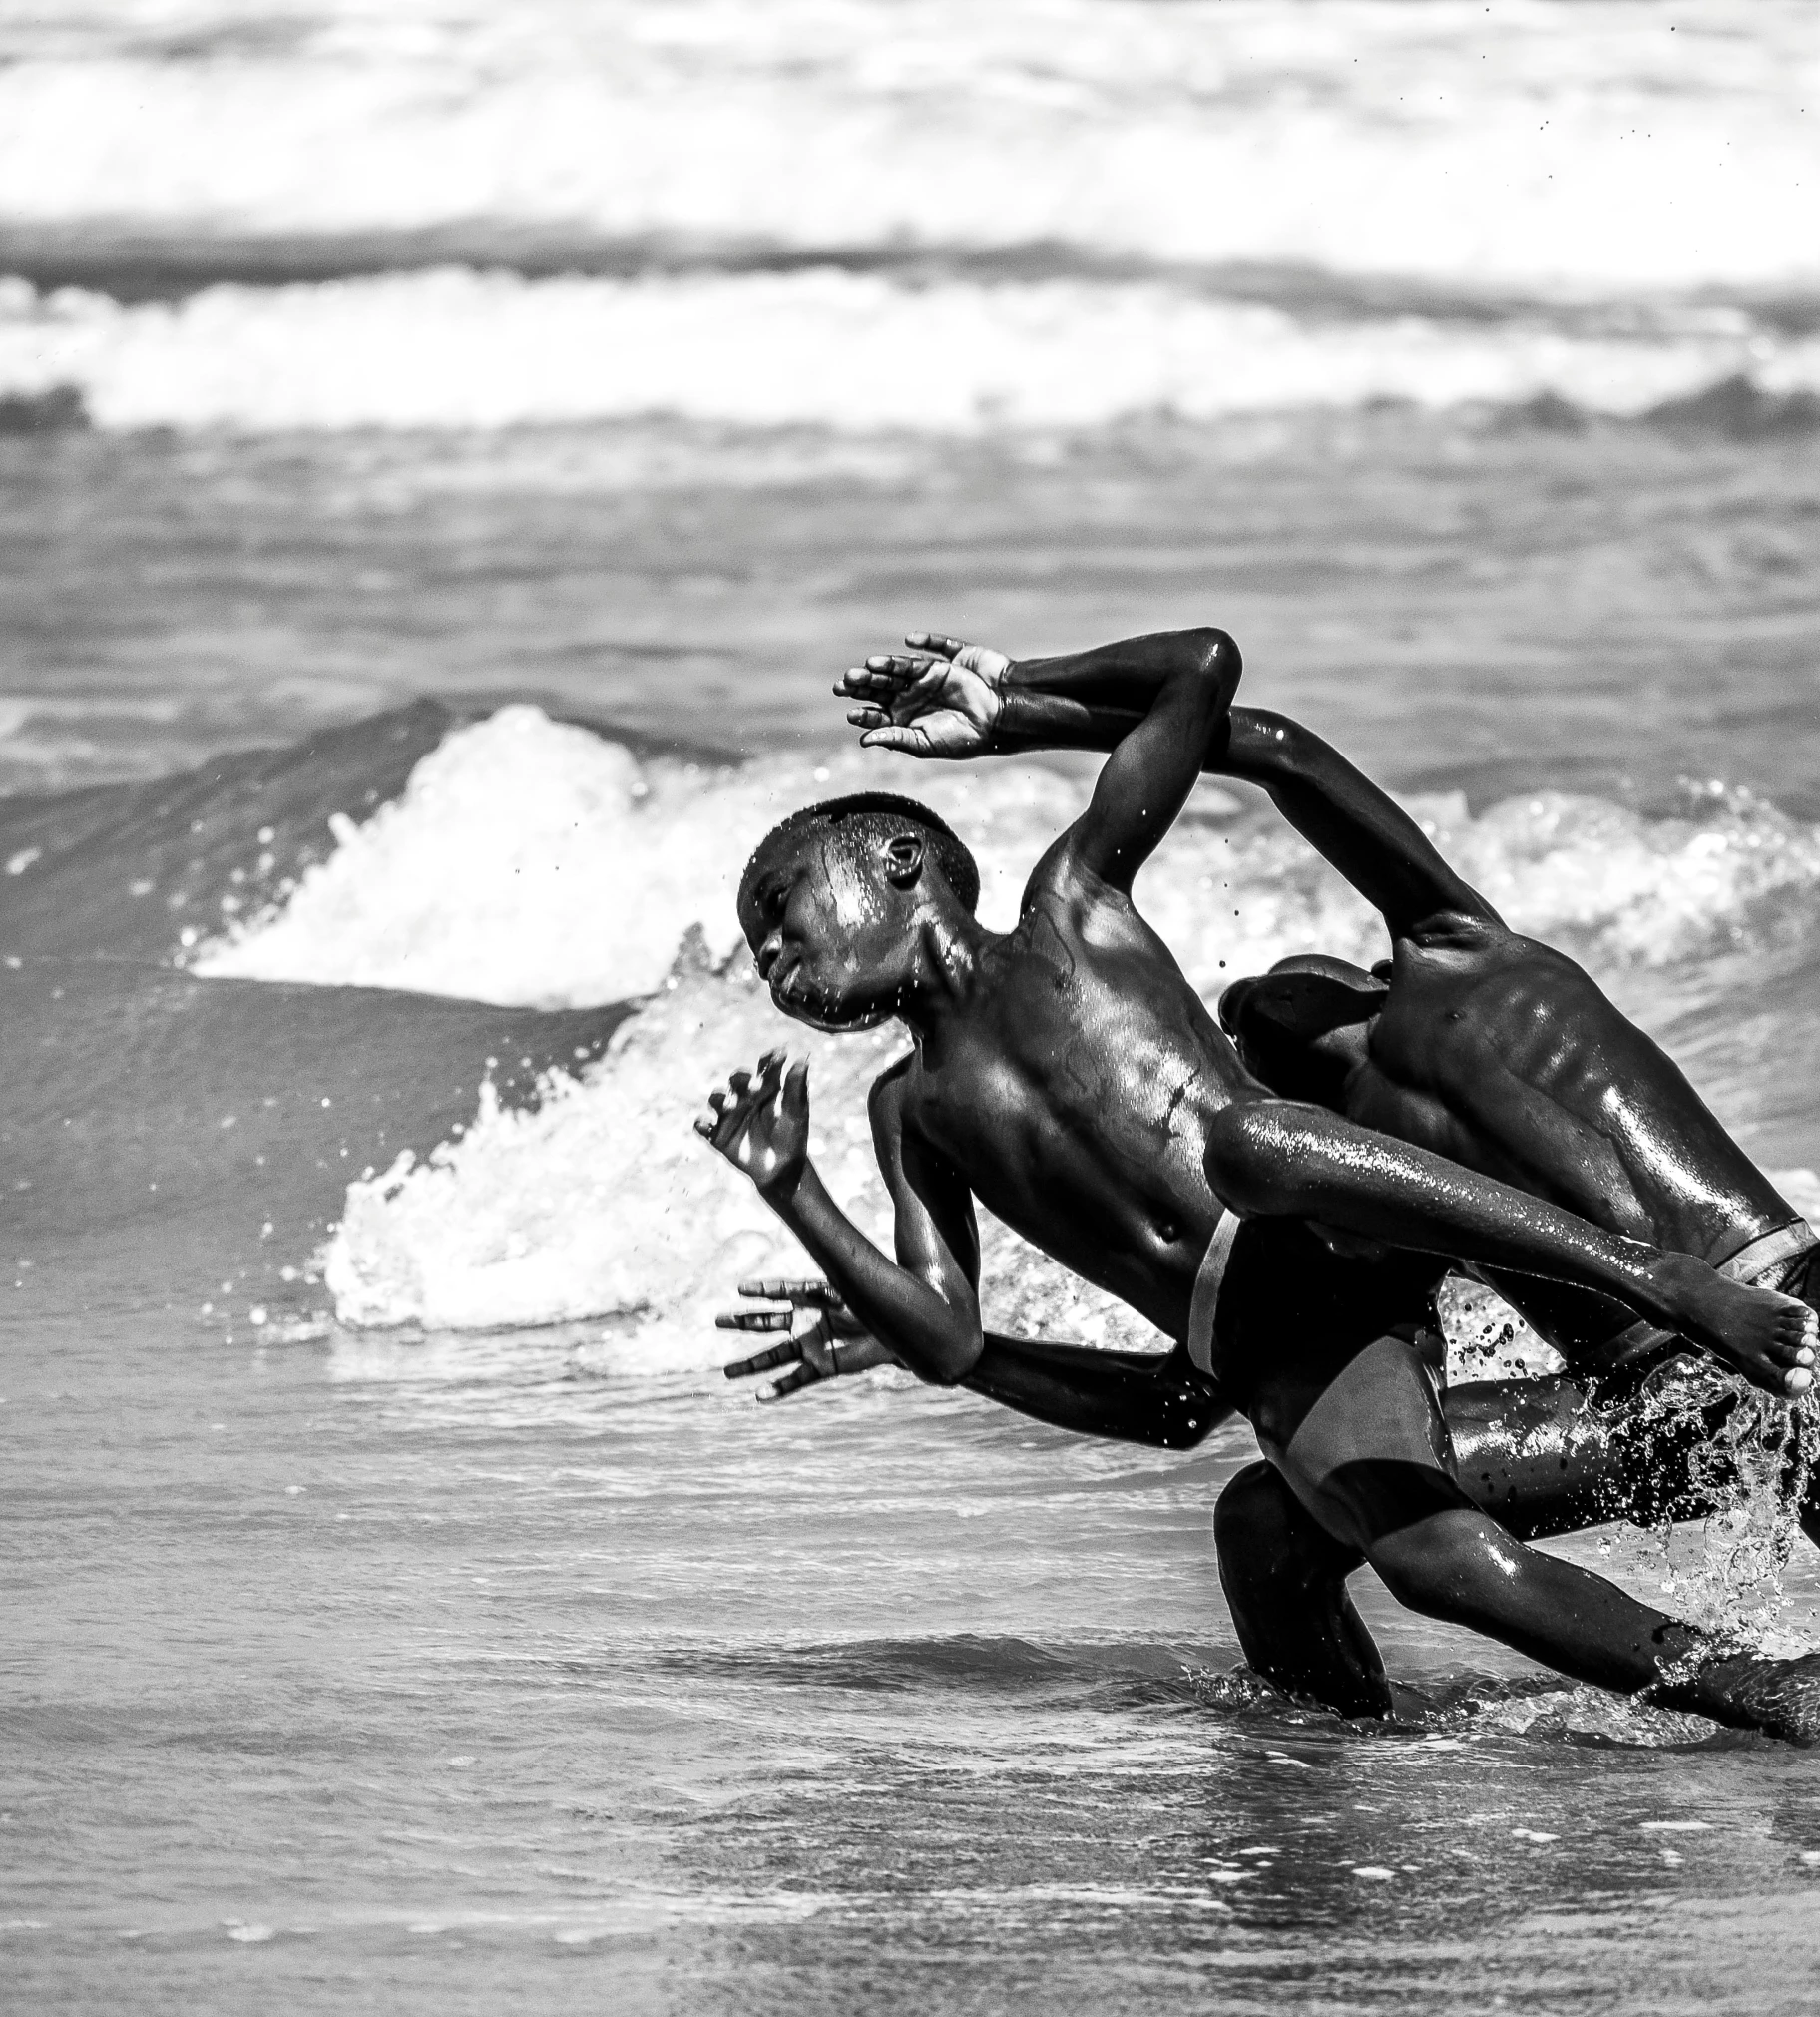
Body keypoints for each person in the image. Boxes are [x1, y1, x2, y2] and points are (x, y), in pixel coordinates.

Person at [696, 629, 1820, 1737]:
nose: (773, 962)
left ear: (897, 863)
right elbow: (952, 1340)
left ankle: (1664, 1293)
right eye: (760, 954)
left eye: (780, 912)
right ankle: (1376, 1758)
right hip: (1302, 1360)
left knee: (1253, 1147)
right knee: (1364, 1547)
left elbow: (1208, 672)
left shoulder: (1087, 908)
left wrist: (1014, 700)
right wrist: (793, 1189)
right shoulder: (908, 1110)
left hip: (1449, 1261)